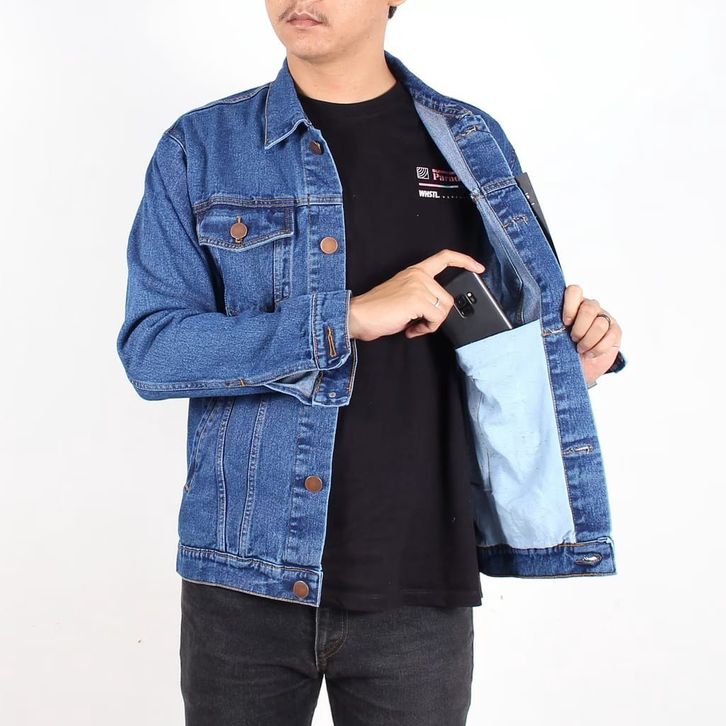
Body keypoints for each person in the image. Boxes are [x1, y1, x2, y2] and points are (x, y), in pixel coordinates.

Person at [116, 2, 625, 724]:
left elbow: (515, 333)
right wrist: (346, 317)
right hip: (245, 580)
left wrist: (576, 360)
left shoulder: (470, 143)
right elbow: (153, 349)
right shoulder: (202, 147)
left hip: (420, 581)